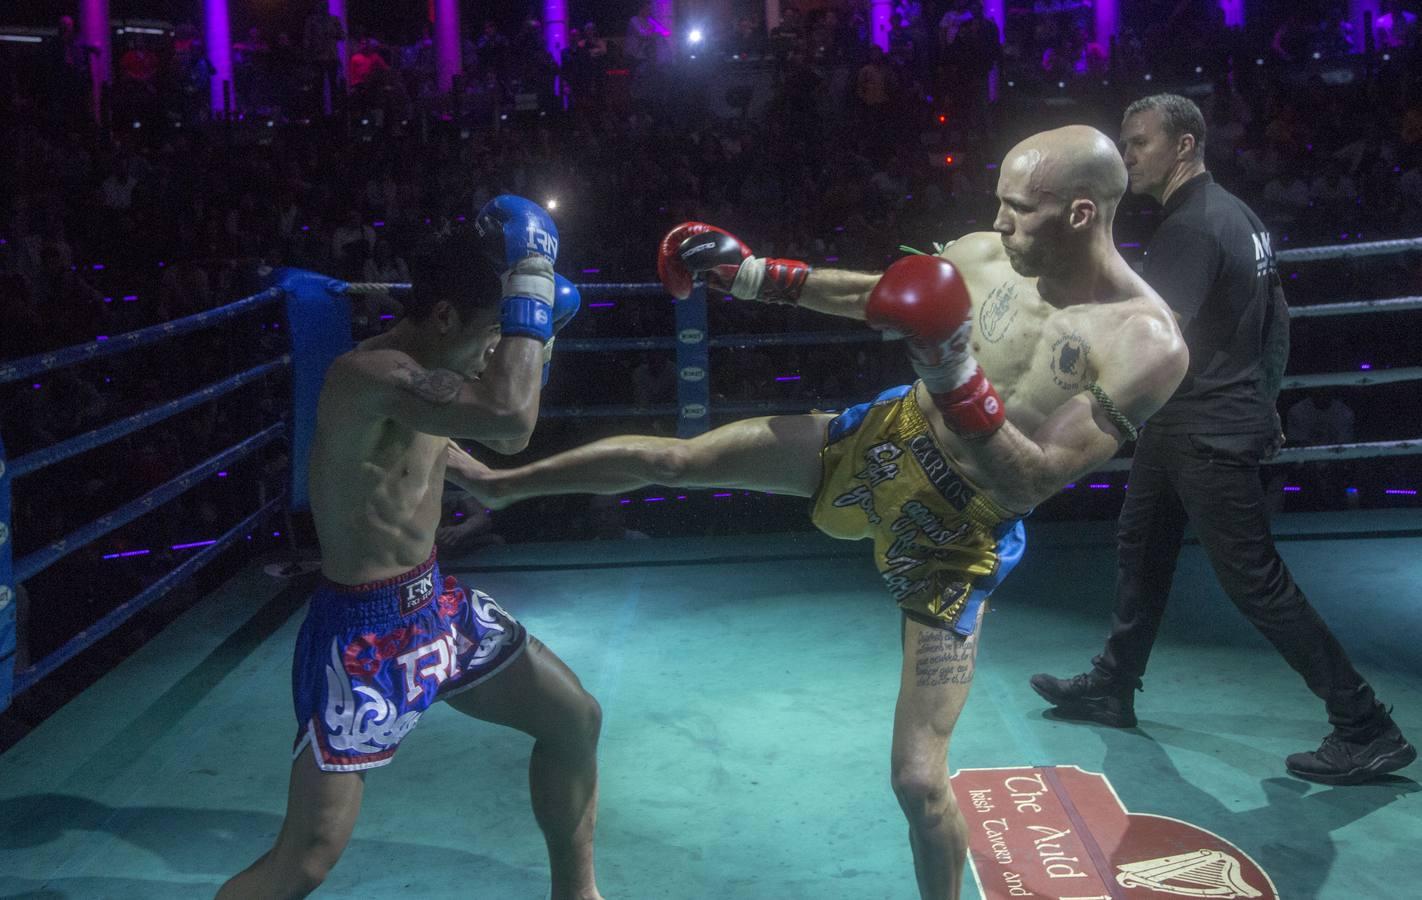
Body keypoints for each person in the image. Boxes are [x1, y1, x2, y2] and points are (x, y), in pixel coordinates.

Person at [448, 126, 1189, 900]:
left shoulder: (1148, 344)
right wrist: (750, 274)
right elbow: (881, 296)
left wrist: (953, 368)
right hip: (890, 439)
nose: (999, 223)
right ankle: (506, 486)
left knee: (917, 781)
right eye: (999, 203)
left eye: (1020, 209)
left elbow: (1033, 480)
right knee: (680, 459)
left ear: (1079, 213)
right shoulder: (986, 252)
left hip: (962, 532)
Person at [216, 197, 602, 900]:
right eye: (489, 332)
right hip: (361, 636)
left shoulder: (431, 376)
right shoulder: (367, 376)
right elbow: (511, 420)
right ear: (447, 316)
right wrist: (535, 280)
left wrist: (471, 473)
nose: (495, 350)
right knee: (305, 860)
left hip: (438, 609)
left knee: (575, 719)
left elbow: (429, 428)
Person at [1029, 94, 1415, 785]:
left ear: (1184, 145)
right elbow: (1279, 320)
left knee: (1256, 584)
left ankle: (1365, 726)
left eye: (1139, 141)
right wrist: (1263, 401)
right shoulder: (1237, 215)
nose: (1127, 154)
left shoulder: (1194, 227)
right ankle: (1114, 686)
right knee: (1140, 549)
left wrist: (1059, 320)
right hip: (1190, 420)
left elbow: (1150, 341)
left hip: (1204, 426)